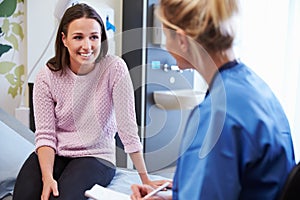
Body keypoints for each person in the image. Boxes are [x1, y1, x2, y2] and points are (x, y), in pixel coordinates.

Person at [131, 0, 296, 199]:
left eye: (166, 36)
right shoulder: (254, 87)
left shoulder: (216, 115)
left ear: (182, 40)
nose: (166, 47)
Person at [13, 3, 166, 200]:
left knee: (63, 198)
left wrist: (145, 178)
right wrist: (48, 177)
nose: (87, 46)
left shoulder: (114, 68)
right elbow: (45, 135)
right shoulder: (47, 76)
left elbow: (127, 129)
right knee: (23, 196)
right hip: (57, 153)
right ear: (64, 39)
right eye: (78, 37)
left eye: (94, 37)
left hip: (96, 156)